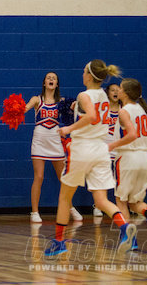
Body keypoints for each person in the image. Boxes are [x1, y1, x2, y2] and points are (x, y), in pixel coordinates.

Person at [45, 60, 136, 257]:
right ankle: (125, 229)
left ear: (89, 76)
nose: (82, 74)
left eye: (84, 71)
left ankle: (59, 242)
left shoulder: (84, 95)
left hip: (82, 148)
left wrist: (68, 129)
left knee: (65, 197)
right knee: (102, 200)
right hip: (100, 150)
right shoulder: (104, 95)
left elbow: (92, 116)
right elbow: (94, 113)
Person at [107, 78, 147, 246]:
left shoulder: (124, 111)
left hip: (128, 158)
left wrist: (112, 145)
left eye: (120, 88)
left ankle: (130, 240)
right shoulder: (141, 110)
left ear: (126, 93)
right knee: (134, 202)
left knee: (121, 201)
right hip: (144, 158)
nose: (118, 91)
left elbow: (132, 135)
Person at [23, 72, 83, 223]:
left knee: (63, 178)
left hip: (55, 140)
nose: (51, 79)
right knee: (39, 177)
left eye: (54, 78)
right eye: (48, 78)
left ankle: (70, 207)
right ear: (44, 83)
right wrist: (17, 109)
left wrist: (79, 104)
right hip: (39, 140)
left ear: (57, 84)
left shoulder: (61, 101)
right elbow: (25, 108)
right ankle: (34, 212)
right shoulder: (37, 99)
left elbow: (78, 109)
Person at [93, 83, 121, 217]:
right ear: (107, 93)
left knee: (120, 179)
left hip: (119, 148)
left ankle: (122, 205)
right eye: (112, 90)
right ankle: (98, 205)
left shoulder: (124, 109)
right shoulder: (102, 108)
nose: (115, 92)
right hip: (103, 147)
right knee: (100, 178)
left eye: (118, 90)